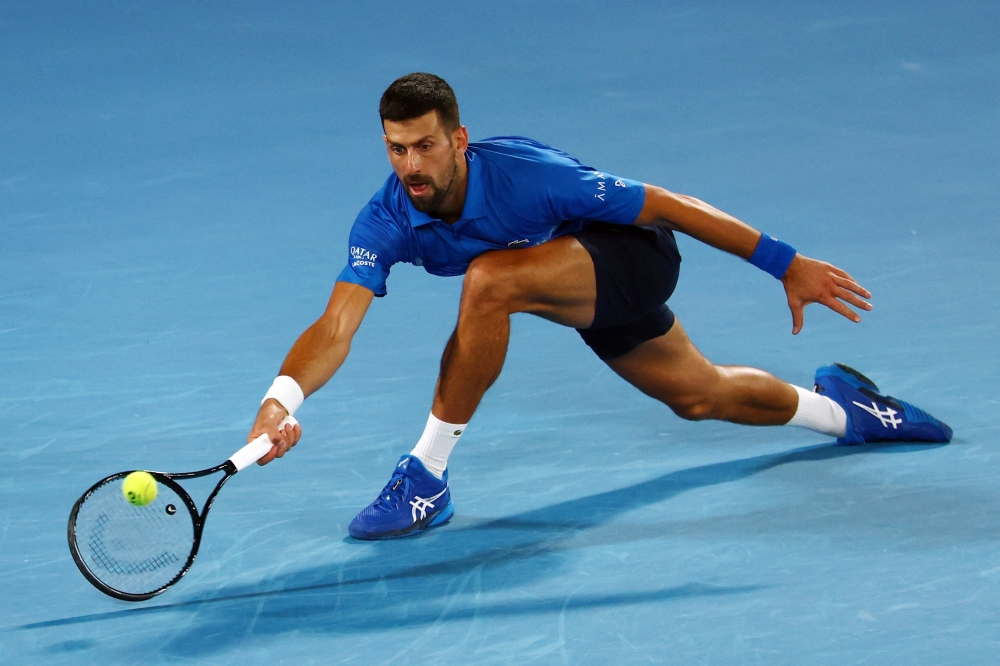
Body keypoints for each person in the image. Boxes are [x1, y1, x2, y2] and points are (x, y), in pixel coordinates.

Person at [247, 73, 951, 540]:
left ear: (458, 140)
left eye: (425, 145)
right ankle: (847, 410)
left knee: (491, 279)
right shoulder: (384, 219)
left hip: (633, 256)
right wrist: (282, 400)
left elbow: (668, 205)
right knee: (699, 396)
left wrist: (785, 262)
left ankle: (427, 476)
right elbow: (336, 324)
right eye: (397, 149)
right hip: (568, 283)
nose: (410, 166)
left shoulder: (529, 177)